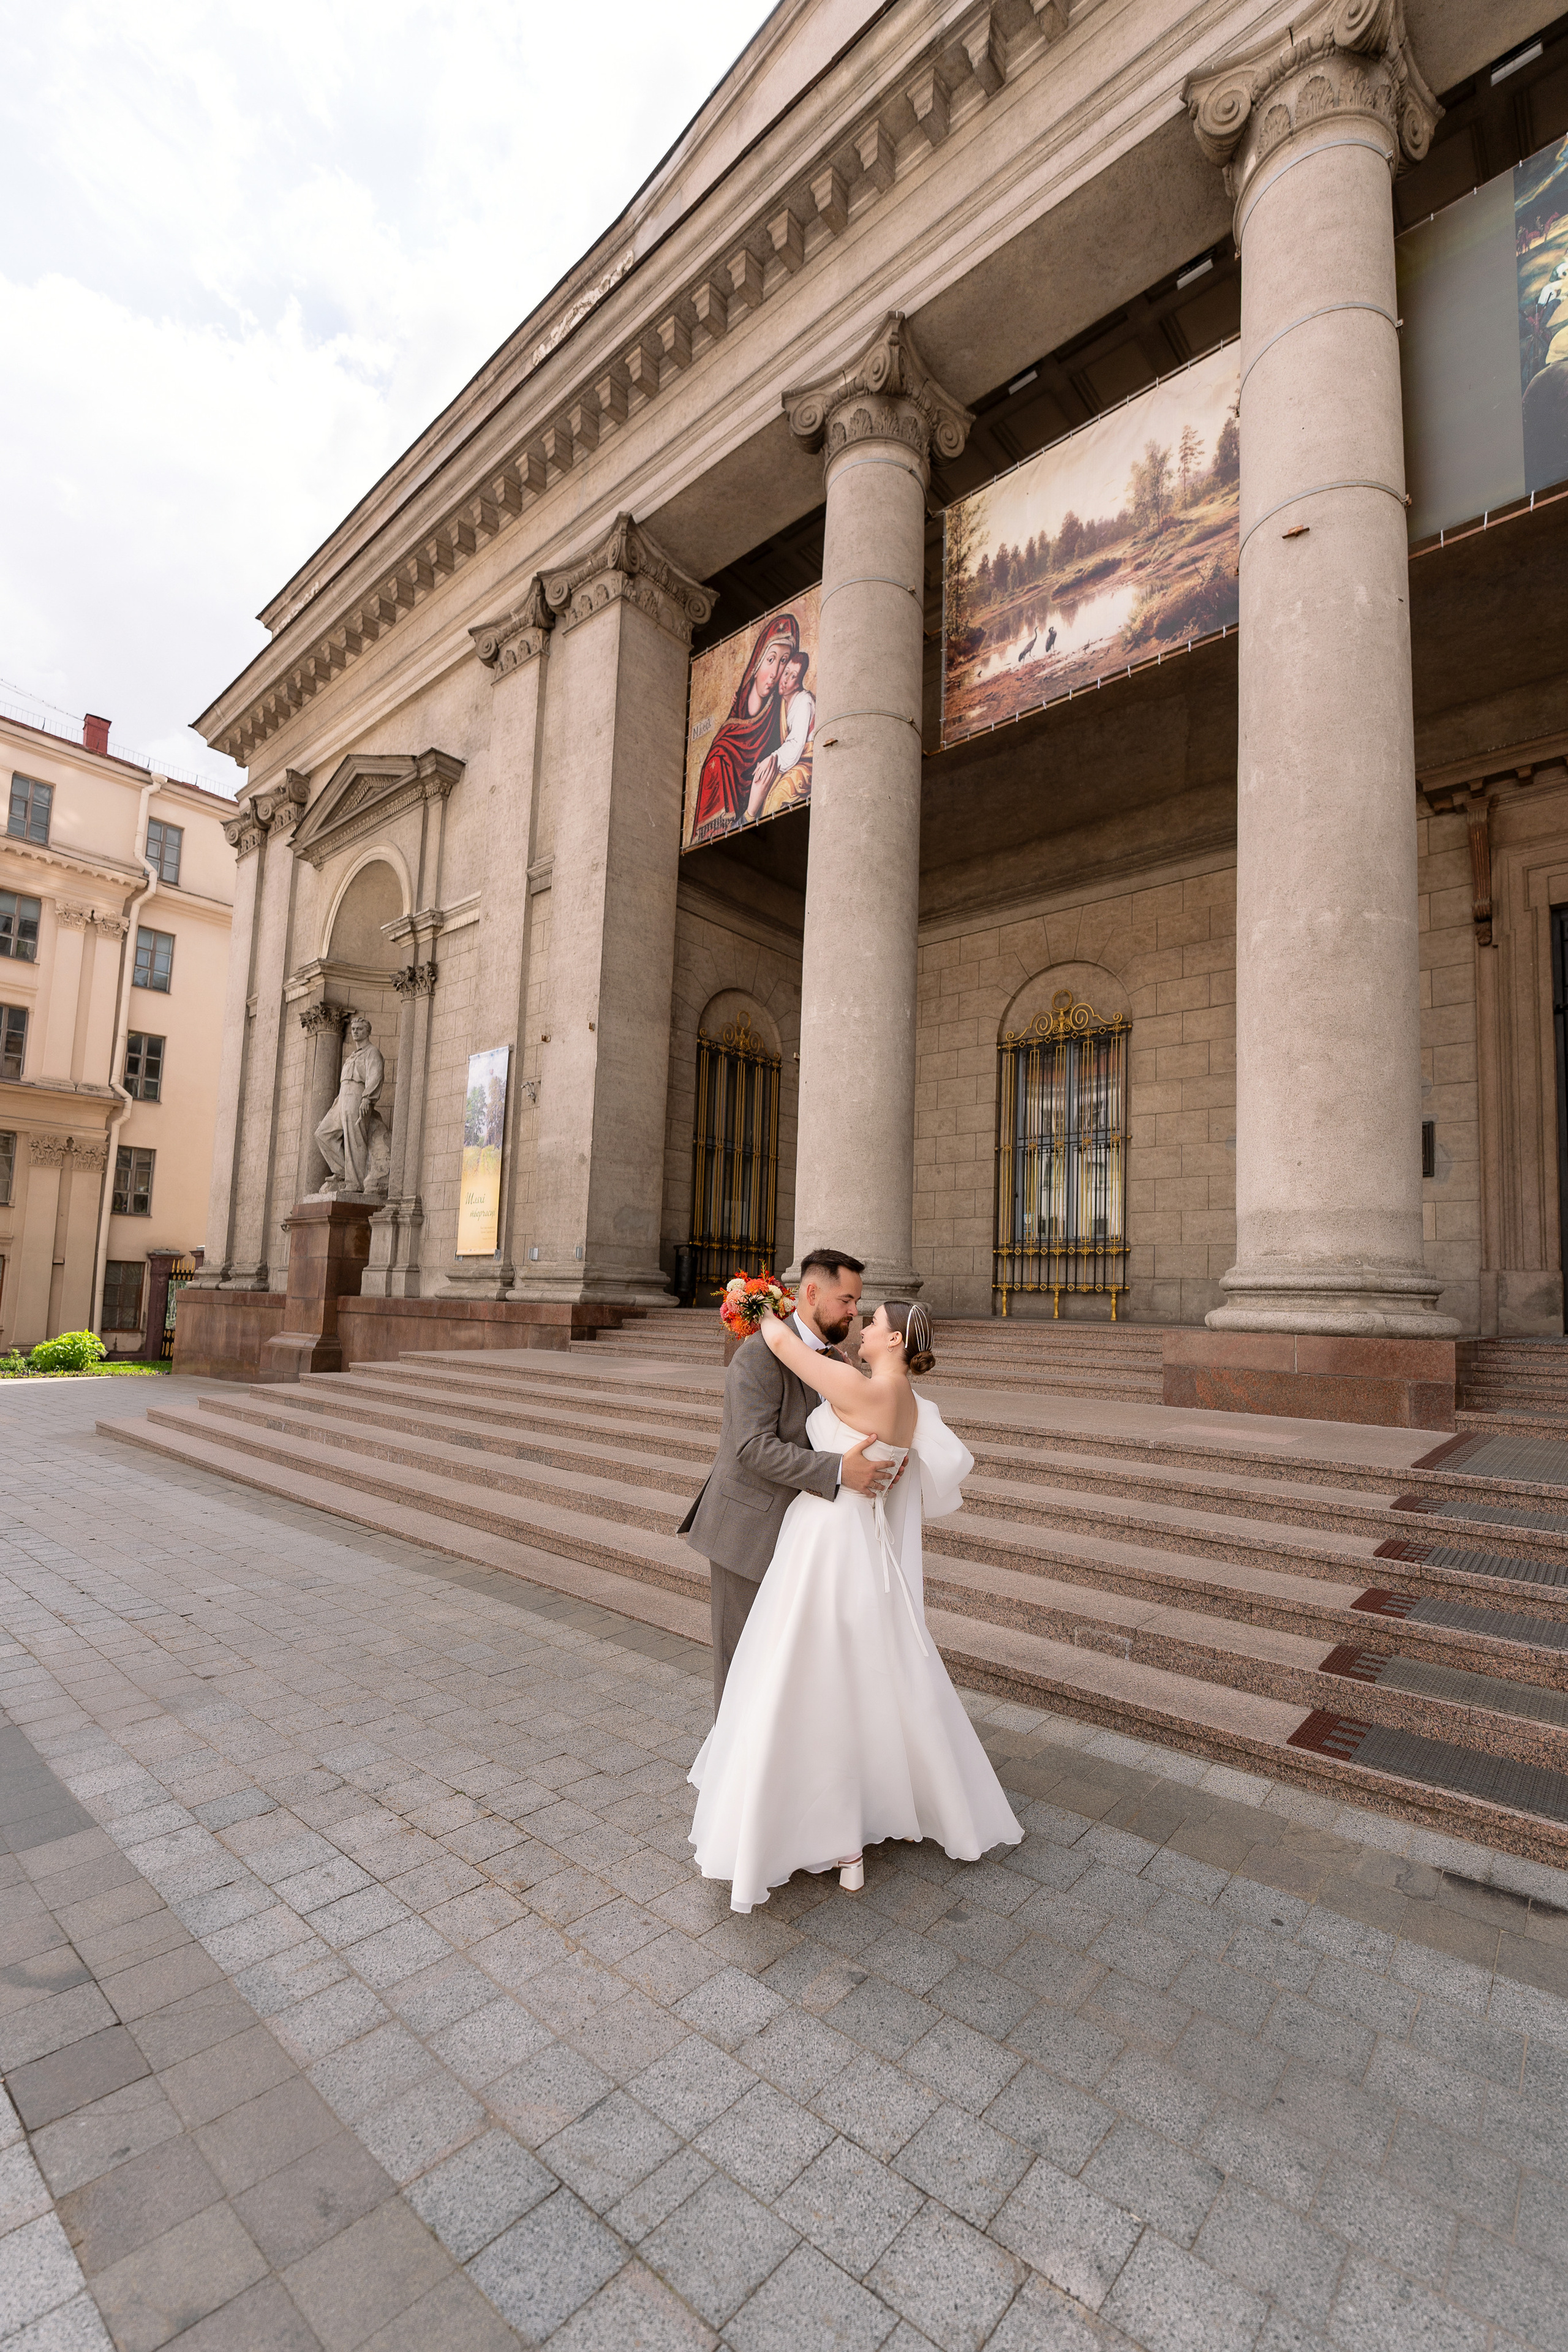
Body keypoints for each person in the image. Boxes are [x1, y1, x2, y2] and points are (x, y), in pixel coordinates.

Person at [688, 1298, 1024, 1912]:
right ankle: (864, 1808)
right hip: (854, 1542)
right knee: (856, 1672)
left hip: (828, 1542)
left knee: (809, 1672)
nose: (863, 1328)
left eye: (872, 1322)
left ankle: (830, 1831)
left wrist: (759, 1299)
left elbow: (787, 1346)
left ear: (894, 1342)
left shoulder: (864, 1389)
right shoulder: (904, 1400)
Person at [679, 1249, 897, 1712]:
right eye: (846, 1300)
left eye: (857, 1302)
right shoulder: (757, 1355)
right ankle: (730, 1778)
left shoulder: (837, 1360)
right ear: (811, 1293)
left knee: (786, 1667)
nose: (854, 1312)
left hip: (808, 1538)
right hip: (749, 1533)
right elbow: (751, 1447)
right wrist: (840, 1471)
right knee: (741, 1664)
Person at [687, 612, 797, 844]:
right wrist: (751, 811)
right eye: (771, 660)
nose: (776, 672)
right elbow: (710, 844)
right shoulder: (720, 758)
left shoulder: (780, 722)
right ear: (756, 663)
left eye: (784, 661)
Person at [314, 1014, 391, 1197]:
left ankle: (355, 1183)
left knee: (354, 1138)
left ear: (368, 1032)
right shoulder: (352, 1056)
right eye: (354, 1029)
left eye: (360, 1029)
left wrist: (367, 1099)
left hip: (357, 1096)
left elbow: (375, 1075)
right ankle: (345, 1172)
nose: (355, 1031)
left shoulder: (372, 1052)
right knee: (323, 1134)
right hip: (342, 1098)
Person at [743, 646, 815, 823]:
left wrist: (772, 759)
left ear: (799, 682)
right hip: (791, 762)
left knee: (777, 798)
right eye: (786, 672)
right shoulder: (782, 702)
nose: (785, 680)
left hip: (806, 764)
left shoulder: (804, 701)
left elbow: (797, 743)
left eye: (793, 677)